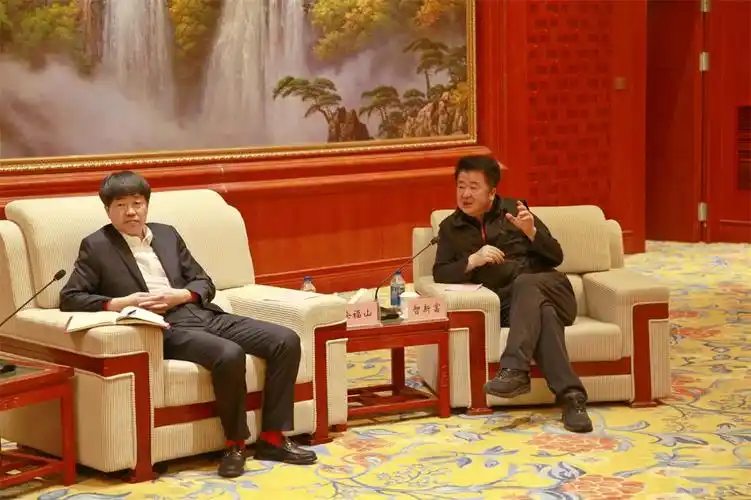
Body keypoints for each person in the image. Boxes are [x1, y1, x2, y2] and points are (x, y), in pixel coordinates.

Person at [59, 171, 317, 478]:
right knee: (229, 354)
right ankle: (235, 444)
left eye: (137, 203)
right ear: (108, 210)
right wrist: (123, 302)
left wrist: (181, 295)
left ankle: (273, 438)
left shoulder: (167, 234)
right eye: (121, 205)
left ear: (146, 205)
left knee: (285, 340)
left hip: (202, 313)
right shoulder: (97, 246)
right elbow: (71, 297)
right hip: (165, 327)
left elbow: (203, 282)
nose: (131, 212)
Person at [432, 155, 592, 433]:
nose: (465, 194)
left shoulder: (516, 211)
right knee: (543, 316)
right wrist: (473, 260)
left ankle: (515, 369)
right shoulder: (450, 228)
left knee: (527, 284)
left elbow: (556, 256)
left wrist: (532, 233)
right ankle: (573, 398)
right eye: (460, 186)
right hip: (513, 309)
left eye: (473, 187)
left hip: (554, 290)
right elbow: (440, 272)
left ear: (492, 191)